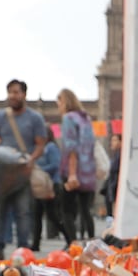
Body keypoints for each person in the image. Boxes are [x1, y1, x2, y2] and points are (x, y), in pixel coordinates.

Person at [0, 79, 46, 259]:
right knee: (0, 210)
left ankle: (23, 249)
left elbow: (40, 145)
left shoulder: (35, 118)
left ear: (24, 94)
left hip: (23, 171)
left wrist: (30, 161)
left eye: (16, 92)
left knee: (23, 211)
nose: (13, 95)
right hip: (2, 172)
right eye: (10, 92)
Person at [57, 88, 97, 247]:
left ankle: (73, 245)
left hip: (73, 171)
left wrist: (72, 174)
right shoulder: (86, 119)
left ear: (64, 102)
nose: (58, 106)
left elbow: (71, 148)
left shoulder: (68, 119)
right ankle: (93, 243)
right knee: (86, 210)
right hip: (88, 172)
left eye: (59, 103)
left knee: (67, 210)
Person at [32, 126, 63, 251]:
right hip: (40, 185)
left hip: (50, 184)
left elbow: (55, 165)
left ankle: (70, 237)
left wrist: (38, 171)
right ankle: (35, 244)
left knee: (52, 215)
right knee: (37, 214)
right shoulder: (41, 149)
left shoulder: (51, 148)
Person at [101, 132, 121, 225]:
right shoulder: (116, 155)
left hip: (115, 187)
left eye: (115, 140)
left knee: (114, 213)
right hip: (112, 186)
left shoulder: (120, 155)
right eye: (112, 140)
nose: (112, 142)